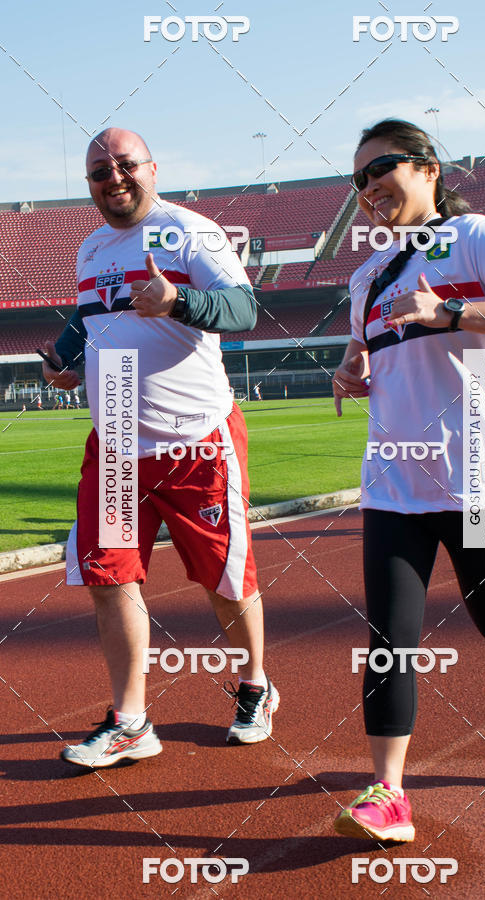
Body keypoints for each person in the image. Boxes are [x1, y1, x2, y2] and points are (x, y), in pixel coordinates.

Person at [332, 119, 485, 843]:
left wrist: (452, 310)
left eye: (384, 170)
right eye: (359, 180)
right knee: (390, 637)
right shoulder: (365, 276)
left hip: (482, 480)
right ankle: (388, 792)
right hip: (395, 484)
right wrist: (352, 370)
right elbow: (366, 352)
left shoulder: (477, 237)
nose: (370, 188)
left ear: (428, 169)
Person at [41, 127, 278, 768]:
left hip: (195, 435)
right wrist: (65, 359)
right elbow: (88, 319)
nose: (112, 178)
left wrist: (179, 300)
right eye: (98, 172)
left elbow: (243, 309)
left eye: (124, 165)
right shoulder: (91, 248)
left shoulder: (191, 232)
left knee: (224, 580)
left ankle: (255, 683)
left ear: (152, 167)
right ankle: (131, 720)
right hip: (116, 435)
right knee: (110, 576)